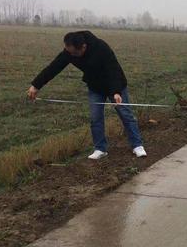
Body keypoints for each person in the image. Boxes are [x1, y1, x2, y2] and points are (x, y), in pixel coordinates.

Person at [27, 31, 147, 160]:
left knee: (125, 114)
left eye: (75, 53)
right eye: (69, 52)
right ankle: (100, 149)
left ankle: (137, 145)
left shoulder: (101, 48)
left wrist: (116, 92)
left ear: (83, 47)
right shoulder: (69, 52)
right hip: (95, 87)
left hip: (115, 85)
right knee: (95, 118)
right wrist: (36, 85)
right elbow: (54, 68)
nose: (72, 55)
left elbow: (113, 70)